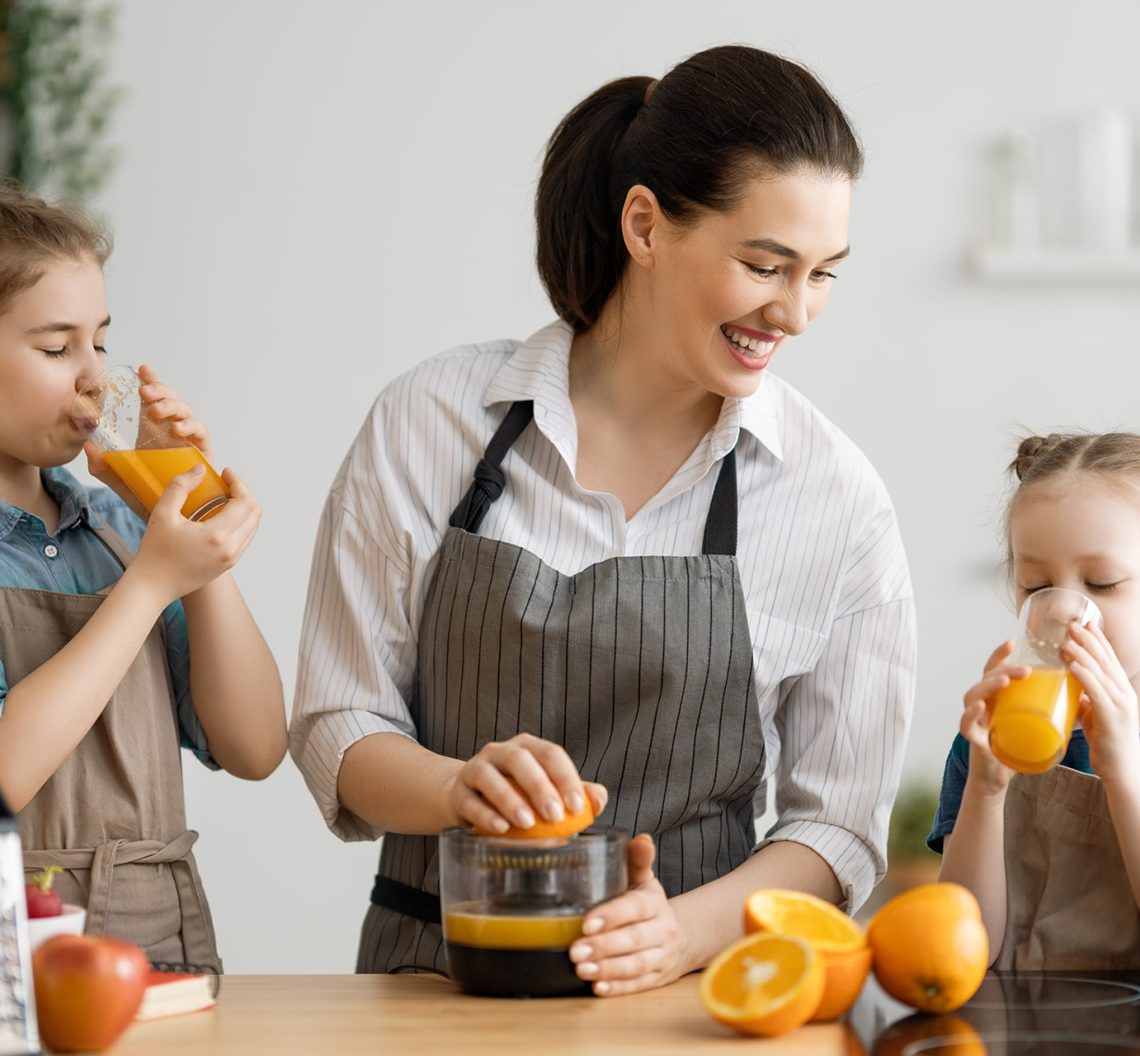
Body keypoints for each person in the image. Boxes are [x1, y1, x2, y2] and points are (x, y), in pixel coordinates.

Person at [291, 44, 915, 995]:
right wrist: (457, 787)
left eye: (823, 273)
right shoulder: (433, 421)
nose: (793, 313)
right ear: (645, 225)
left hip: (697, 1003)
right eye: (764, 264)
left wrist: (681, 931)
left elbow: (837, 830)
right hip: (433, 988)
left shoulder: (834, 496)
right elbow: (340, 720)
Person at [0, 186, 287, 971]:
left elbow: (257, 746)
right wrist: (152, 583)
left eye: (101, 342)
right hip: (18, 963)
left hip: (162, 951)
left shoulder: (121, 530)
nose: (95, 377)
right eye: (57, 349)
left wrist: (188, 510)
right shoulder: (141, 567)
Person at [931, 433, 1140, 970]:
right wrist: (985, 787)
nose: (1066, 610)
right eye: (1035, 585)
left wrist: (1123, 771)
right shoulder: (988, 739)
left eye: (1102, 582)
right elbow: (964, 948)